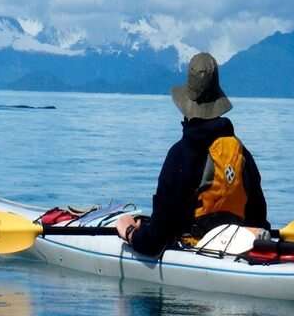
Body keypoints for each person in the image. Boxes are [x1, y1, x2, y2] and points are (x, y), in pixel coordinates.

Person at [115, 52, 270, 256]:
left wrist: (129, 231)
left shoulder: (180, 155)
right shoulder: (241, 153)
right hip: (236, 249)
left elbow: (154, 242)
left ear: (186, 106)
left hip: (194, 250)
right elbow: (259, 221)